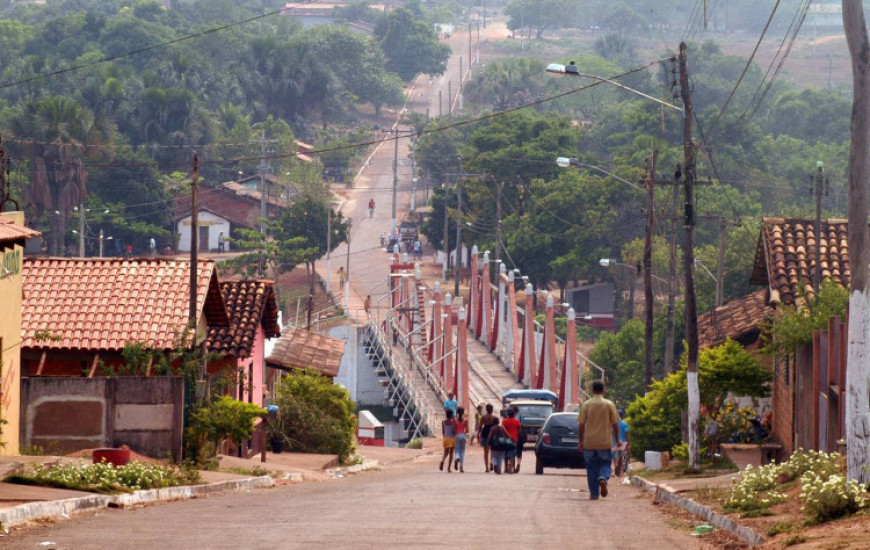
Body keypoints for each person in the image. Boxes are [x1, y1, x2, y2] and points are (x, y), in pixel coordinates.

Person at [577, 380, 620, 500]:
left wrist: (580, 441)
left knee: (591, 467)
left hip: (589, 442)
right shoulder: (609, 404)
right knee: (606, 464)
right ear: (603, 390)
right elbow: (615, 423)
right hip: (604, 441)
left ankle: (594, 494)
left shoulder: (586, 404)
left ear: (592, 390)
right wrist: (618, 439)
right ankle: (603, 477)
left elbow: (581, 424)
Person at [477, 404, 497, 472]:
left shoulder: (483, 417)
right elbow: (496, 426)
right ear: (492, 409)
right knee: (492, 450)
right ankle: (491, 462)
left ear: (486, 409)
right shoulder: (494, 417)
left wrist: (478, 434)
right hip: (492, 433)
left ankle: (486, 468)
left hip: (485, 433)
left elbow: (480, 426)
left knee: (486, 451)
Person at [501, 407, 521, 474]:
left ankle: (506, 468)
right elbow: (519, 430)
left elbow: (502, 430)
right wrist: (516, 434)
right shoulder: (517, 421)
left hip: (506, 440)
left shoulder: (504, 421)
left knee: (506, 454)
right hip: (514, 440)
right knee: (512, 454)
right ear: (513, 414)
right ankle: (511, 468)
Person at [612, 408, 630, 477]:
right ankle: (620, 472)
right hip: (623, 443)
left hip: (614, 442)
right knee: (621, 458)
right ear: (622, 416)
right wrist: (628, 444)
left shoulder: (613, 424)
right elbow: (627, 433)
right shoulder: (624, 423)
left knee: (615, 457)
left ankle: (615, 466)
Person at [453, 407, 468, 473]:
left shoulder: (455, 420)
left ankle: (456, 458)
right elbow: (467, 430)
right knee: (462, 451)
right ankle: (461, 467)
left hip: (457, 435)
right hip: (463, 435)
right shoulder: (465, 420)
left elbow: (454, 430)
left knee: (457, 449)